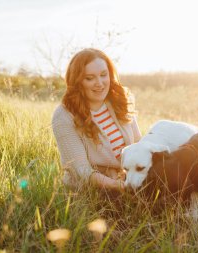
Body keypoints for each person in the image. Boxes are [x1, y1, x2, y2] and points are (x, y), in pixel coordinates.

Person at [52, 48, 141, 192]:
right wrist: (116, 185)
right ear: (77, 81)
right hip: (90, 191)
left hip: (128, 182)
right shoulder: (63, 116)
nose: (99, 83)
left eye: (103, 75)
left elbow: (138, 145)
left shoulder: (121, 100)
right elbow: (81, 171)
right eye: (90, 78)